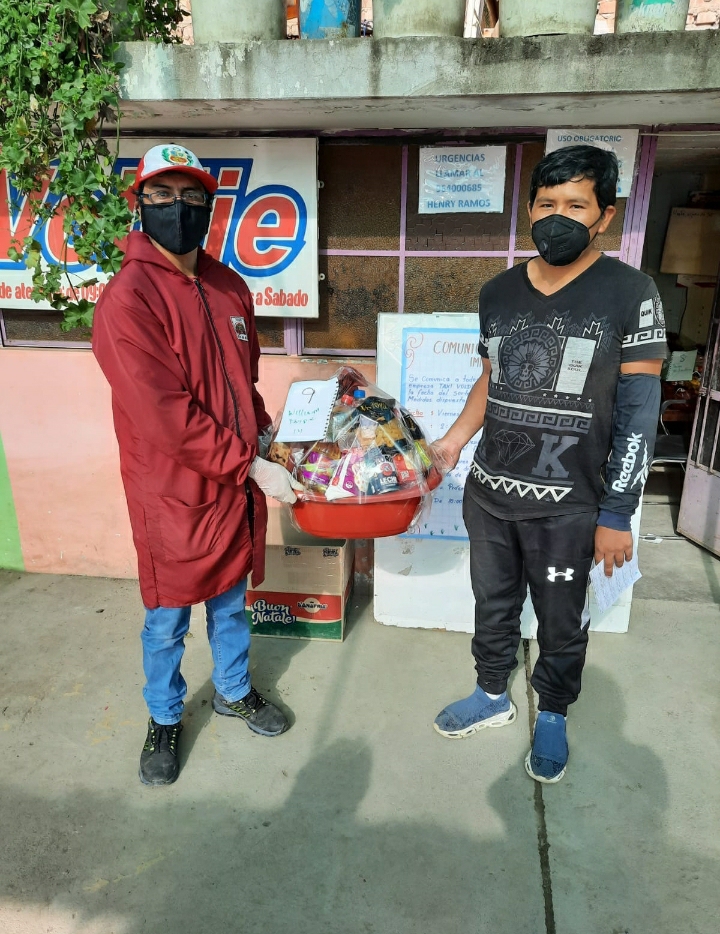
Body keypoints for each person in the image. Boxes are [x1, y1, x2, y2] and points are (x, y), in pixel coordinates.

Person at [431, 145, 666, 783]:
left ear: (605, 216)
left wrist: (617, 513)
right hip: (490, 493)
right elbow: (492, 379)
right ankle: (490, 692)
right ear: (529, 210)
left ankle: (554, 711)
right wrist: (452, 442)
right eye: (546, 203)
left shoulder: (631, 293)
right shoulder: (498, 292)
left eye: (576, 205)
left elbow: (639, 412)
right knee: (492, 601)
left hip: (570, 505)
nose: (557, 216)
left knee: (561, 619)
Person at [93, 144, 303, 786]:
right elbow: (165, 415)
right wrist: (250, 466)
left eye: (190, 197)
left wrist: (266, 438)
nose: (177, 208)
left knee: (232, 599)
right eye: (161, 196)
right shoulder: (128, 300)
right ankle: (163, 716)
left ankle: (234, 690)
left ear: (210, 207)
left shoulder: (228, 285)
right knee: (168, 616)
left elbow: (243, 381)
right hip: (173, 488)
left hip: (234, 480)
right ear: (139, 204)